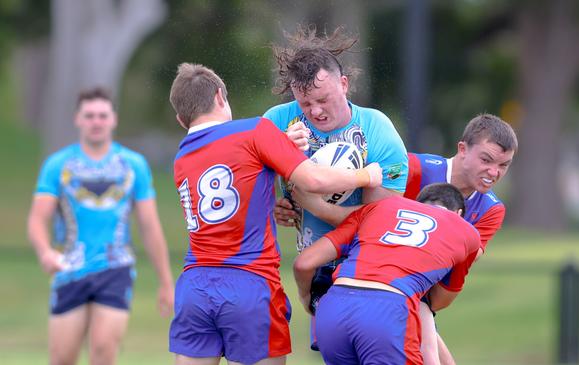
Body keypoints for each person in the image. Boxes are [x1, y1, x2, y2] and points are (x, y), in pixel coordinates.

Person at [167, 62, 383, 365]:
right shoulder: (255, 130)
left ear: (181, 119)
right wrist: (366, 177)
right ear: (220, 96)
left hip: (194, 288)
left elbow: (238, 168)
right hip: (249, 284)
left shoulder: (182, 157)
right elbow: (314, 180)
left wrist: (280, 144)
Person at [263, 24, 409, 350]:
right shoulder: (277, 121)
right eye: (304, 103)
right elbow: (246, 182)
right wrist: (272, 202)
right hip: (316, 269)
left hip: (370, 268)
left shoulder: (377, 130)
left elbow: (379, 223)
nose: (314, 111)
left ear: (344, 84)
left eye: (323, 99)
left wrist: (314, 206)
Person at [27, 87, 175, 365]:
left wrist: (166, 281)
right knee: (61, 358)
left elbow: (149, 225)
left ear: (113, 119)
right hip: (70, 268)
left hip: (115, 268)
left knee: (104, 352)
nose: (96, 121)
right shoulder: (58, 165)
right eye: (90, 115)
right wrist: (45, 251)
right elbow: (38, 218)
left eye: (102, 115)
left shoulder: (133, 165)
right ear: (78, 119)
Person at [293, 183, 481, 365]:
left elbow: (304, 263)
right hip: (388, 310)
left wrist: (306, 298)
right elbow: (439, 301)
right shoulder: (467, 232)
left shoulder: (382, 206)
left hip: (332, 308)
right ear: (459, 215)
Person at [405, 113, 518, 365]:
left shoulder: (491, 209)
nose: (493, 172)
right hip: (369, 281)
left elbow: (458, 270)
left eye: (503, 165)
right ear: (463, 149)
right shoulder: (415, 168)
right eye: (486, 160)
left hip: (420, 295)